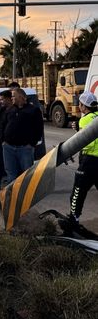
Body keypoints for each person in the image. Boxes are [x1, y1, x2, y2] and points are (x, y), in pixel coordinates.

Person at [68, 91, 98, 224]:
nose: (78, 106)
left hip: (89, 161)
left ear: (84, 106)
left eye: (79, 104)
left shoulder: (84, 120)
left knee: (78, 192)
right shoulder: (96, 117)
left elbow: (86, 140)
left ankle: (74, 219)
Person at [2, 87, 44, 183]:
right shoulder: (10, 109)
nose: (11, 98)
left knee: (26, 175)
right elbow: (3, 125)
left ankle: (26, 196)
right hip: (8, 148)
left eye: (13, 96)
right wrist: (3, 141)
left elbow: (39, 129)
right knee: (11, 174)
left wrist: (31, 144)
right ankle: (13, 195)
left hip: (25, 149)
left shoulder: (33, 110)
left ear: (20, 97)